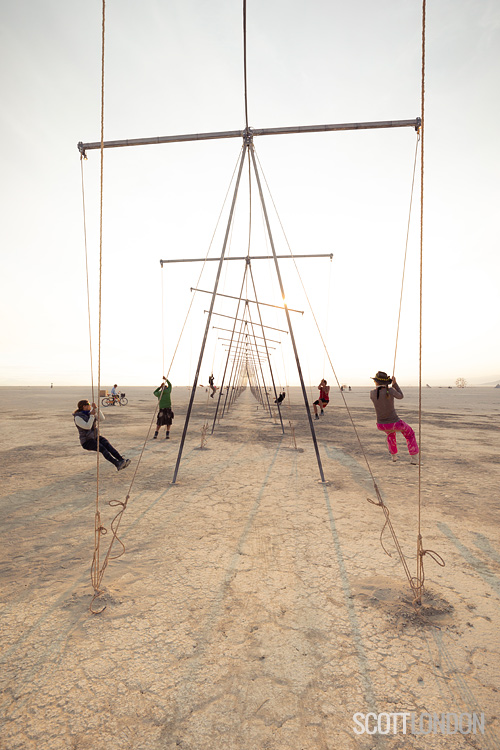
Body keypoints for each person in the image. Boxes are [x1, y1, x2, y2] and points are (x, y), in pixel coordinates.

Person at [369, 371, 419, 464]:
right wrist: (395, 384)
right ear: (386, 382)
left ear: (376, 382)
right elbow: (401, 396)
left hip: (381, 425)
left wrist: (389, 386)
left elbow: (380, 394)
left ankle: (394, 456)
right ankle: (414, 459)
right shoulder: (391, 391)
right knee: (410, 433)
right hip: (395, 423)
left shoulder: (372, 393)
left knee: (390, 434)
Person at [73, 400, 130, 470]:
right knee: (102, 448)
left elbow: (102, 418)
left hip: (95, 437)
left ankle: (121, 460)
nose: (90, 406)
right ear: (84, 406)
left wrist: (96, 409)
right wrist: (91, 416)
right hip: (87, 441)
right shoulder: (78, 417)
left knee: (108, 445)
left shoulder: (90, 414)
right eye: (89, 405)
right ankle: (116, 463)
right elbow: (88, 427)